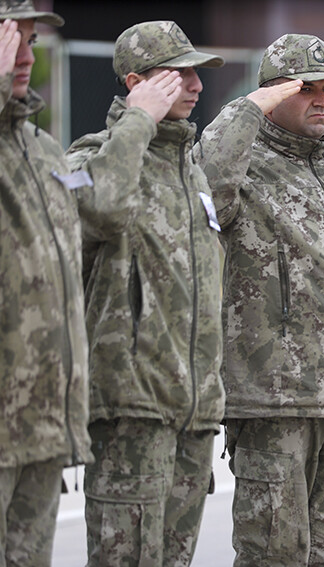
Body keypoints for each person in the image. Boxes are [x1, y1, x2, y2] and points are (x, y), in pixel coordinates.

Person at [195, 34, 324, 566]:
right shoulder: (241, 166)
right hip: (273, 400)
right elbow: (202, 186)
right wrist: (246, 112)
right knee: (273, 554)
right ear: (269, 96)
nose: (321, 100)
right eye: (305, 89)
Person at [65, 20, 226, 566]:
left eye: (197, 73)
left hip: (192, 408)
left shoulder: (192, 171)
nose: (196, 85)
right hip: (131, 405)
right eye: (177, 74)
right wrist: (138, 120)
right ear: (135, 82)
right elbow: (100, 208)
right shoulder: (93, 156)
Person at [0, 2, 92, 565]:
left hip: (41, 419)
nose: (24, 59)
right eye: (12, 41)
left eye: (29, 43)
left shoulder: (40, 149)